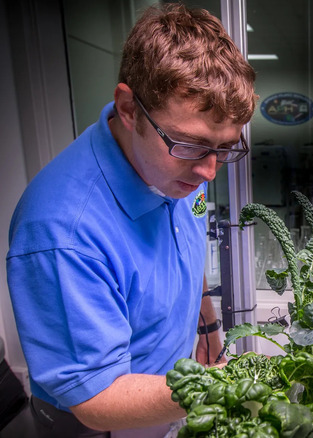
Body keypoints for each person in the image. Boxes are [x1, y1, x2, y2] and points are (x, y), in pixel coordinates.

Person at [5, 4, 257, 437]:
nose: (209, 172)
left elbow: (186, 240)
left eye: (225, 147)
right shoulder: (62, 234)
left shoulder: (181, 165)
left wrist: (206, 322)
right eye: (192, 145)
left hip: (168, 394)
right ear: (128, 108)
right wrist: (220, 387)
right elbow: (95, 398)